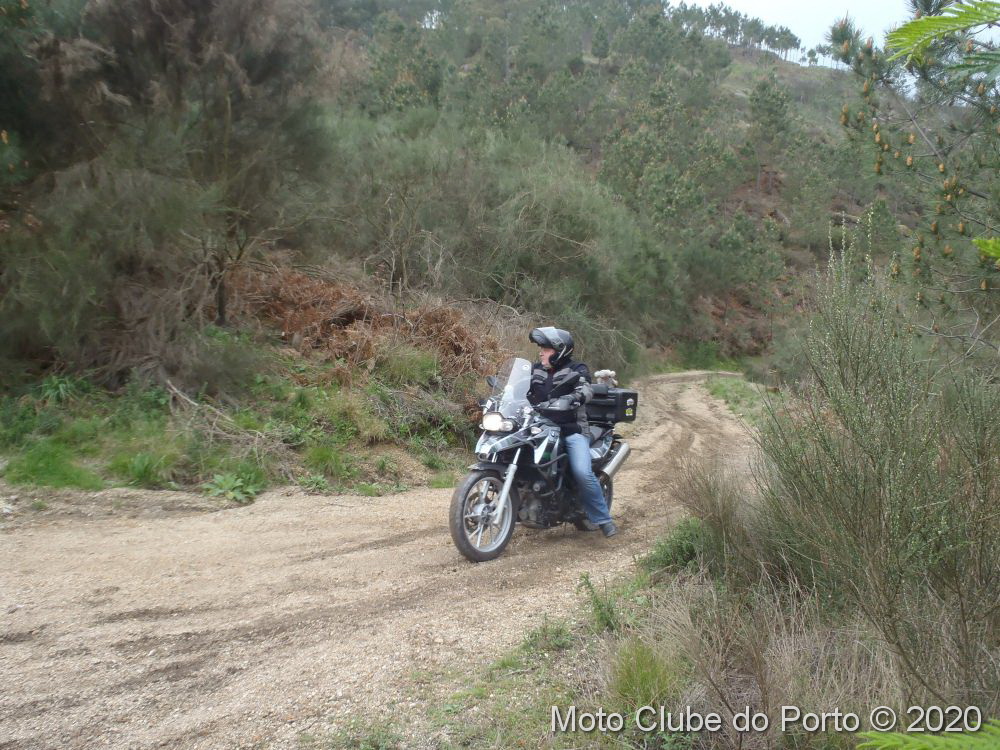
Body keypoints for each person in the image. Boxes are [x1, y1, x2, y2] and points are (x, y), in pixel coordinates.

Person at [525, 327, 618, 538]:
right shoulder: (535, 369)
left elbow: (586, 389)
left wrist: (572, 398)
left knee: (582, 472)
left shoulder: (577, 369)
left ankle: (603, 520)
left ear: (560, 351)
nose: (541, 353)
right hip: (539, 428)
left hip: (571, 430)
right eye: (541, 349)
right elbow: (519, 388)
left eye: (546, 349)